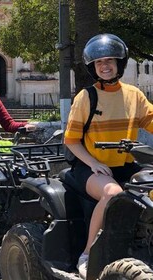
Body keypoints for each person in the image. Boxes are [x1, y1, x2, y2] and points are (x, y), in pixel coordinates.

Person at [64, 33, 153, 279]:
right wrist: (94, 163)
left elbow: (151, 120)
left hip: (125, 164)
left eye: (110, 61)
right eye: (100, 62)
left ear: (119, 64)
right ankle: (87, 254)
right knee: (112, 193)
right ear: (93, 67)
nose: (105, 66)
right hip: (89, 168)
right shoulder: (86, 97)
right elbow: (70, 140)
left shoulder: (134, 95)